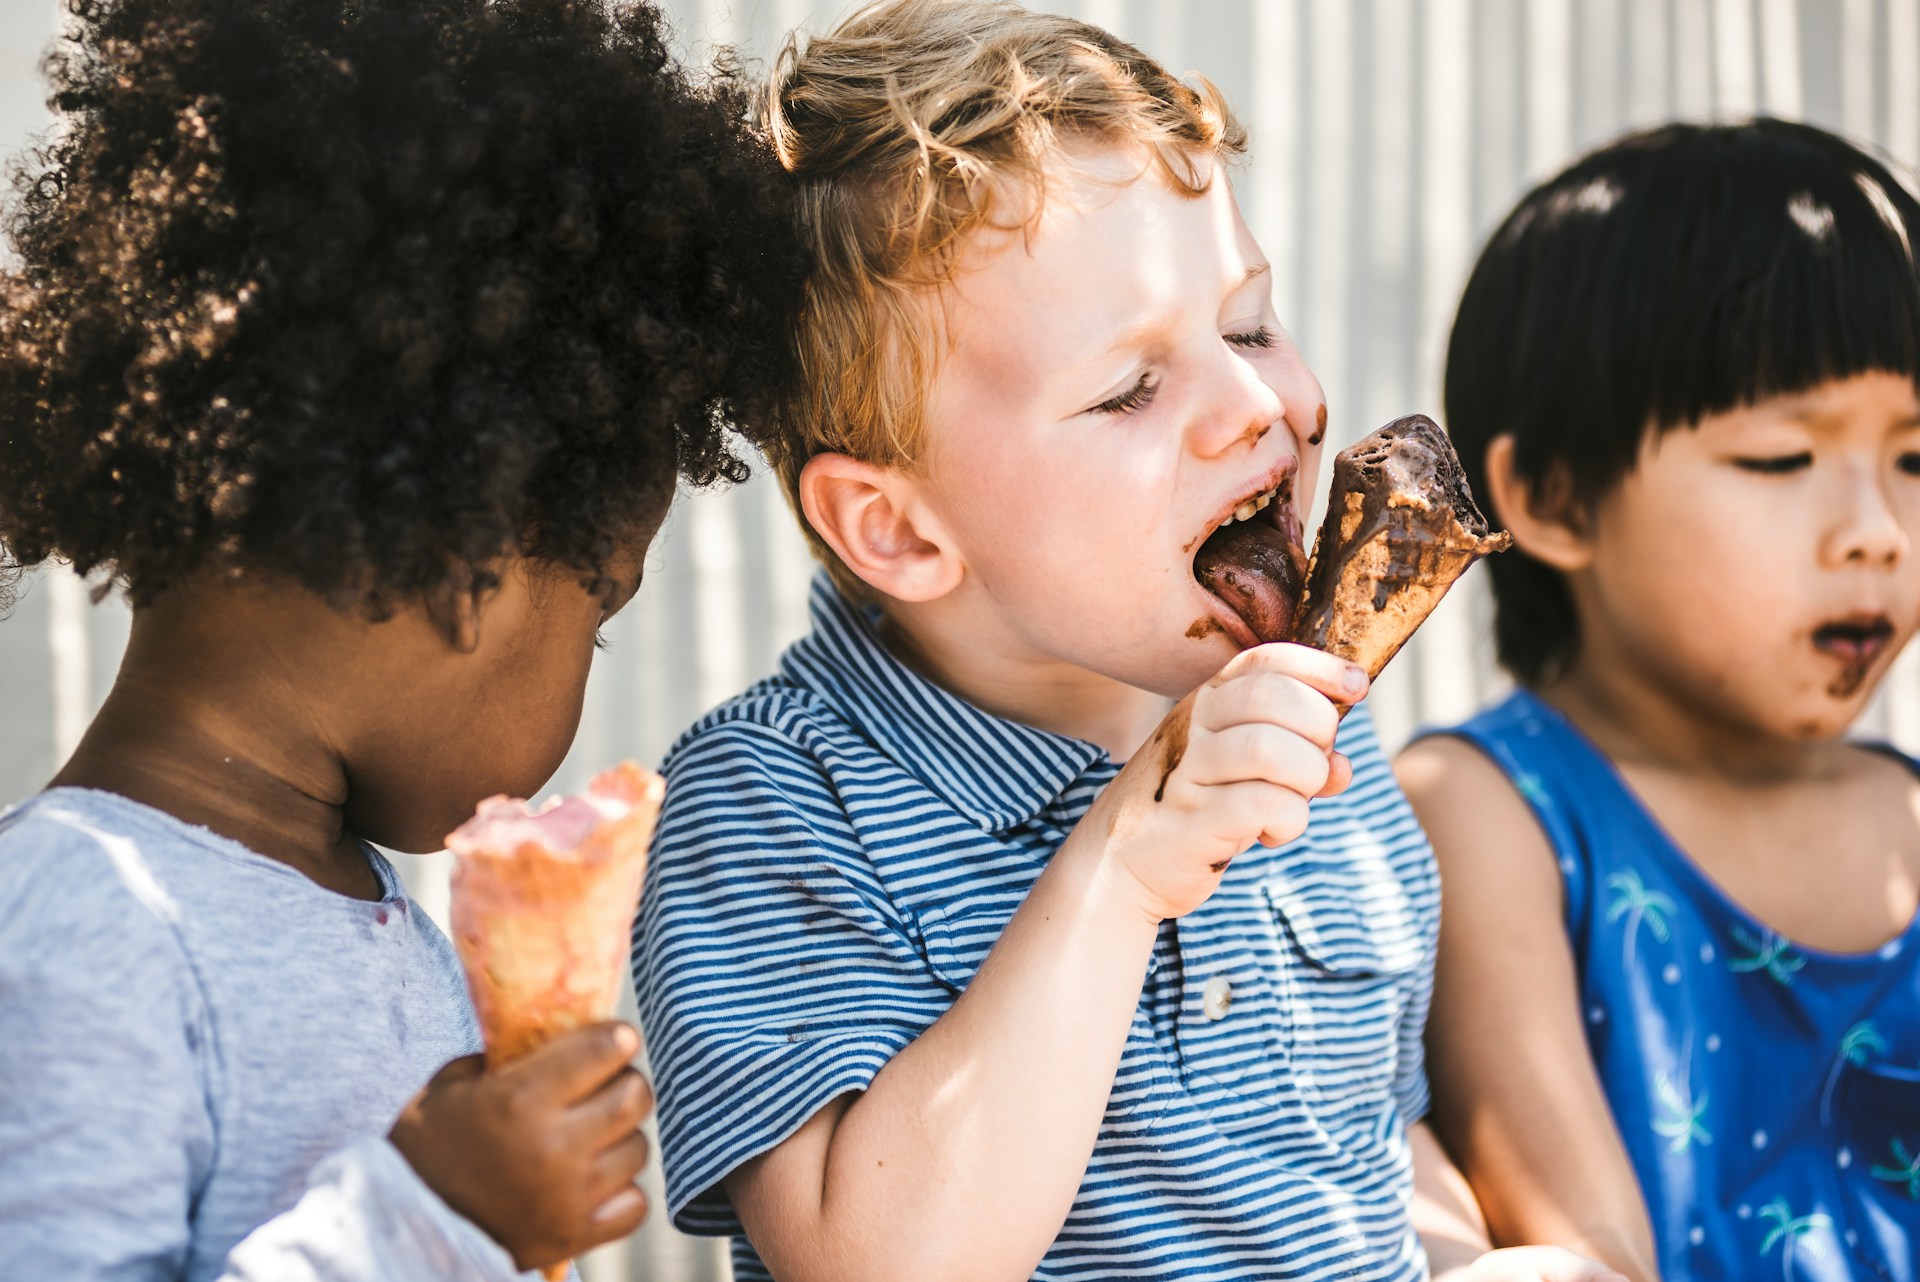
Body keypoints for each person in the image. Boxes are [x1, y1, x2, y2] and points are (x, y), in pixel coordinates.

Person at [631, 3, 1621, 1279]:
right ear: (901, 528)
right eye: (1128, 390)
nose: (1255, 402)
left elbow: (1358, 1133)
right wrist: (1122, 869)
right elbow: (870, 1259)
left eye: (1250, 324)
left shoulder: (1314, 724)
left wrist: (1469, 1257)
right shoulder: (771, 806)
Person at [0, 0, 801, 1277]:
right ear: (466, 561)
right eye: (596, 613)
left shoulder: (375, 920)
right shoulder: (77, 919)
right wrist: (437, 1214)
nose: (587, 666)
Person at [1398, 119, 1920, 1282]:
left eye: (1914, 459)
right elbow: (1587, 1257)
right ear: (1556, 498)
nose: (1878, 532)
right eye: (1782, 460)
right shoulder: (1491, 809)